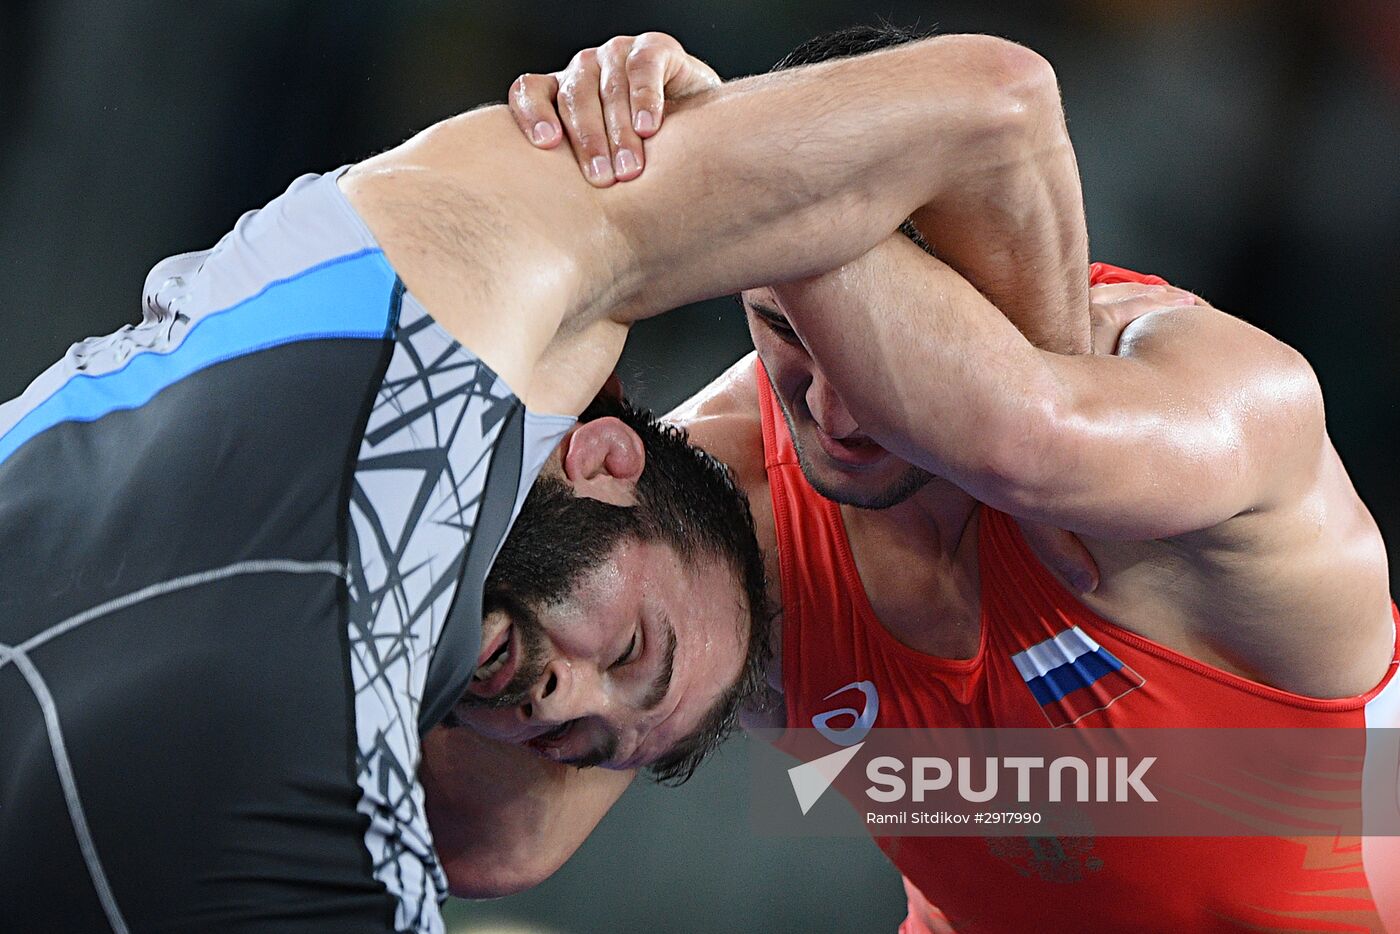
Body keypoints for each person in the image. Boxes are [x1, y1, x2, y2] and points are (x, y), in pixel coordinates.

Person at [0, 30, 1077, 934]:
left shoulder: (356, 829)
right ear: (604, 459)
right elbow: (996, 106)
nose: (562, 700)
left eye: (584, 744)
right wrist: (1039, 484)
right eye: (627, 652)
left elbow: (503, 843)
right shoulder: (480, 264)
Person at [433, 25, 1400, 931]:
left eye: (879, 359)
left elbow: (1028, 432)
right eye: (784, 335)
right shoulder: (711, 514)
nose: (836, 417)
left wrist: (714, 149)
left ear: (1006, 289)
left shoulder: (1220, 406)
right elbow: (507, 837)